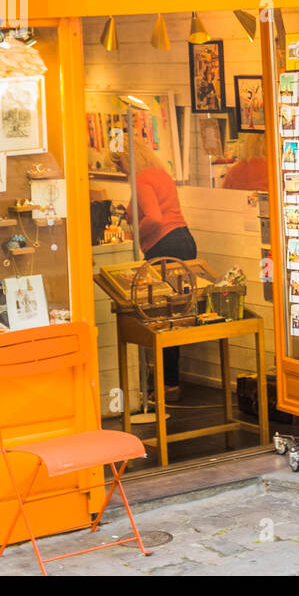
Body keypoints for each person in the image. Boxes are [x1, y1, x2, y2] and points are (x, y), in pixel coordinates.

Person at [118, 138, 196, 401]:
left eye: (119, 165)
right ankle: (170, 380)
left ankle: (167, 382)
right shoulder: (160, 175)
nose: (120, 171)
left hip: (165, 245)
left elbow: (154, 217)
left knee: (162, 317)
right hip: (184, 239)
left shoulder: (140, 181)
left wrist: (138, 234)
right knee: (176, 313)